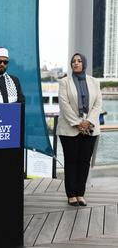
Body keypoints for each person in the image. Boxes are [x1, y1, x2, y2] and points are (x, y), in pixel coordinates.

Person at [56, 53, 102, 207]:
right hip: (69, 129)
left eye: (79, 61)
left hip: (90, 128)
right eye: (73, 61)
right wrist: (77, 123)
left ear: (84, 63)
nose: (76, 63)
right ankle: (71, 194)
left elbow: (97, 104)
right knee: (71, 161)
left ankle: (80, 193)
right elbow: (64, 104)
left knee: (84, 162)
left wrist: (87, 122)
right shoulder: (64, 82)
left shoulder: (94, 82)